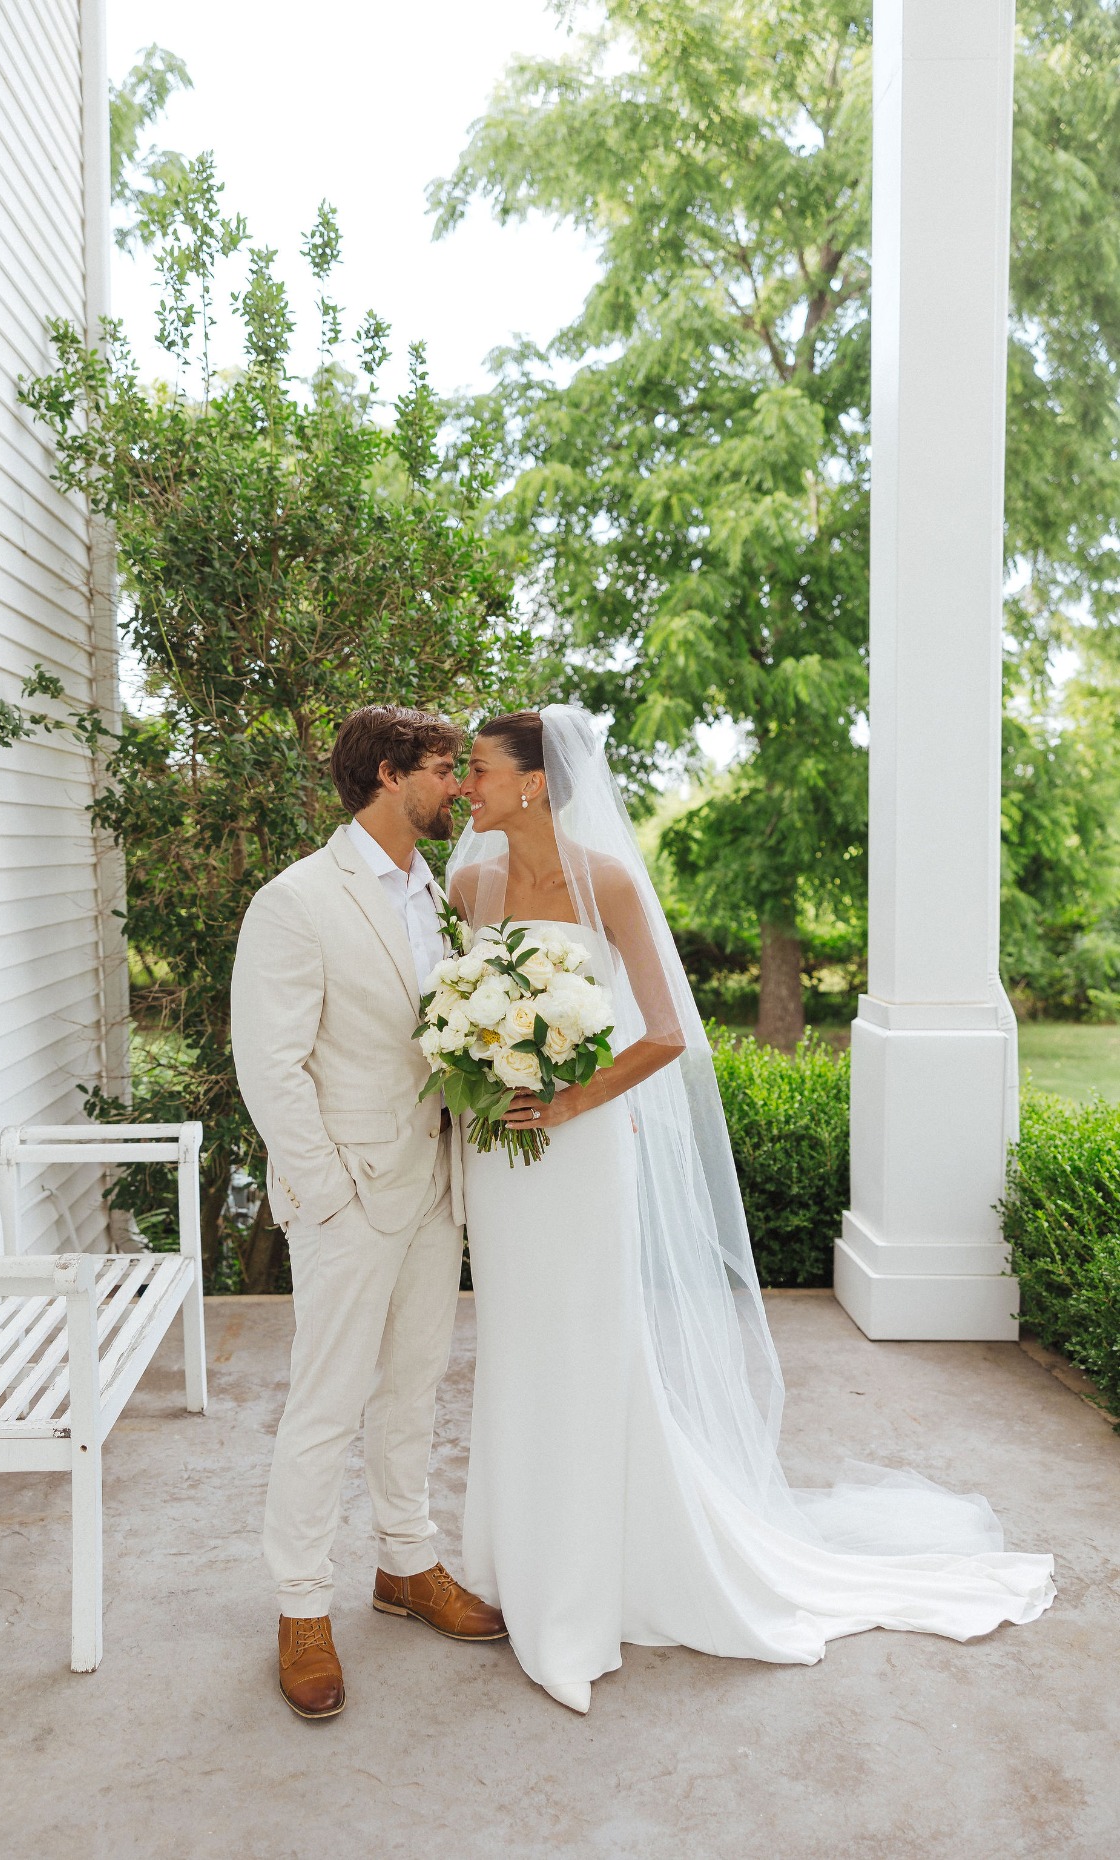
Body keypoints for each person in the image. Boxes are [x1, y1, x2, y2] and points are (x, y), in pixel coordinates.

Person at [448, 705, 1055, 1716]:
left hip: (583, 1145)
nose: (463, 787)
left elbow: (666, 1033)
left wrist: (569, 1099)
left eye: (477, 769)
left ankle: (590, 1584)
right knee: (515, 1346)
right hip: (504, 1157)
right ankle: (520, 1562)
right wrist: (478, 1067)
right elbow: (457, 1003)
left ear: (532, 783)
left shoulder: (606, 882)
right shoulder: (468, 883)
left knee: (593, 1343)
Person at [231, 705, 507, 1722]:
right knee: (325, 1403)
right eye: (445, 769)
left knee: (413, 1386)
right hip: (349, 1192)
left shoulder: (437, 896)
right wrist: (330, 1193)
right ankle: (301, 1607)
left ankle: (406, 1565)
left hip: (437, 1183)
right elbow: (270, 1066)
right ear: (392, 775)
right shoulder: (297, 900)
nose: (459, 788)